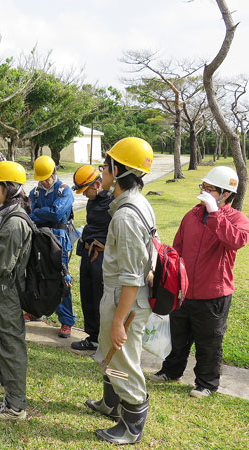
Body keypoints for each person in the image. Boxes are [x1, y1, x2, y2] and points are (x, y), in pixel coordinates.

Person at [149, 166, 249, 397]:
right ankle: (171, 371)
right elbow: (177, 249)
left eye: (209, 188)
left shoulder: (237, 219)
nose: (203, 191)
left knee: (209, 341)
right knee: (178, 335)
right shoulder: (192, 215)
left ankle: (207, 383)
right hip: (185, 290)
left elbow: (236, 241)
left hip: (214, 292)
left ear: (225, 194)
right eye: (202, 186)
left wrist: (215, 214)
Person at [85, 137, 155, 445]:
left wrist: (118, 322)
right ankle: (110, 404)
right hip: (124, 297)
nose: (102, 170)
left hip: (123, 300)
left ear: (117, 169)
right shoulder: (137, 202)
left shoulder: (125, 215)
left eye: (106, 165)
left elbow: (131, 278)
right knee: (113, 356)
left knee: (122, 360)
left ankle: (131, 424)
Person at [0, 161, 32, 420]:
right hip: (0, 291)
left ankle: (15, 406)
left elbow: (0, 264)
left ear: (9, 188)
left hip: (5, 292)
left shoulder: (13, 224)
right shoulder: (7, 214)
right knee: (0, 340)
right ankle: (5, 381)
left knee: (11, 346)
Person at [28, 155, 75, 337]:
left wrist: (40, 212)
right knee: (37, 274)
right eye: (41, 179)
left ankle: (66, 321)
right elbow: (30, 213)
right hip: (40, 239)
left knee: (61, 278)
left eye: (46, 178)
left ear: (54, 173)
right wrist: (39, 213)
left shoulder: (64, 191)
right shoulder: (35, 192)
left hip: (58, 240)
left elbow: (57, 214)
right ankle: (36, 310)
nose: (44, 182)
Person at [70, 165, 113, 351]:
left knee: (99, 298)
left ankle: (103, 339)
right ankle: (93, 336)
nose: (83, 195)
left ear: (96, 184)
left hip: (101, 256)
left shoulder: (113, 202)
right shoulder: (93, 200)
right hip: (88, 253)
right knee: (87, 296)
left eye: (85, 190)